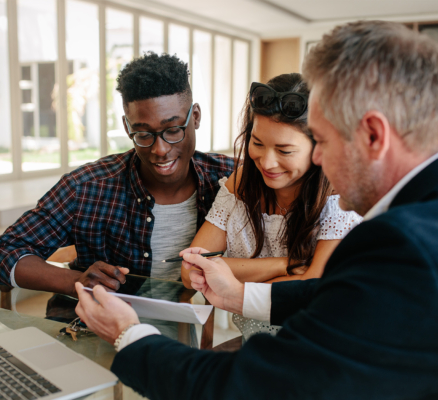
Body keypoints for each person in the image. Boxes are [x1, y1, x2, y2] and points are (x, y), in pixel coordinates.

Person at [75, 20, 438, 399]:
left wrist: (129, 335)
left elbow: (251, 386)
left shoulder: (403, 243)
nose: (316, 157)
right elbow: (331, 295)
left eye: (324, 141)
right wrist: (237, 296)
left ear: (374, 136)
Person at [0, 53, 234, 297]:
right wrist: (76, 281)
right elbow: (3, 253)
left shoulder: (231, 180)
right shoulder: (87, 187)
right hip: (96, 332)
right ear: (127, 128)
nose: (160, 149)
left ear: (196, 117)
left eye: (173, 130)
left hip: (190, 333)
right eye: (144, 134)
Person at [182, 73, 362, 340]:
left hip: (322, 349)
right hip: (255, 347)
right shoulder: (240, 183)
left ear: (319, 147)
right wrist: (284, 265)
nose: (266, 163)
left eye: (284, 151)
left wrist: (232, 279)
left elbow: (312, 288)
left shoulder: (338, 195)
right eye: (257, 143)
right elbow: (191, 271)